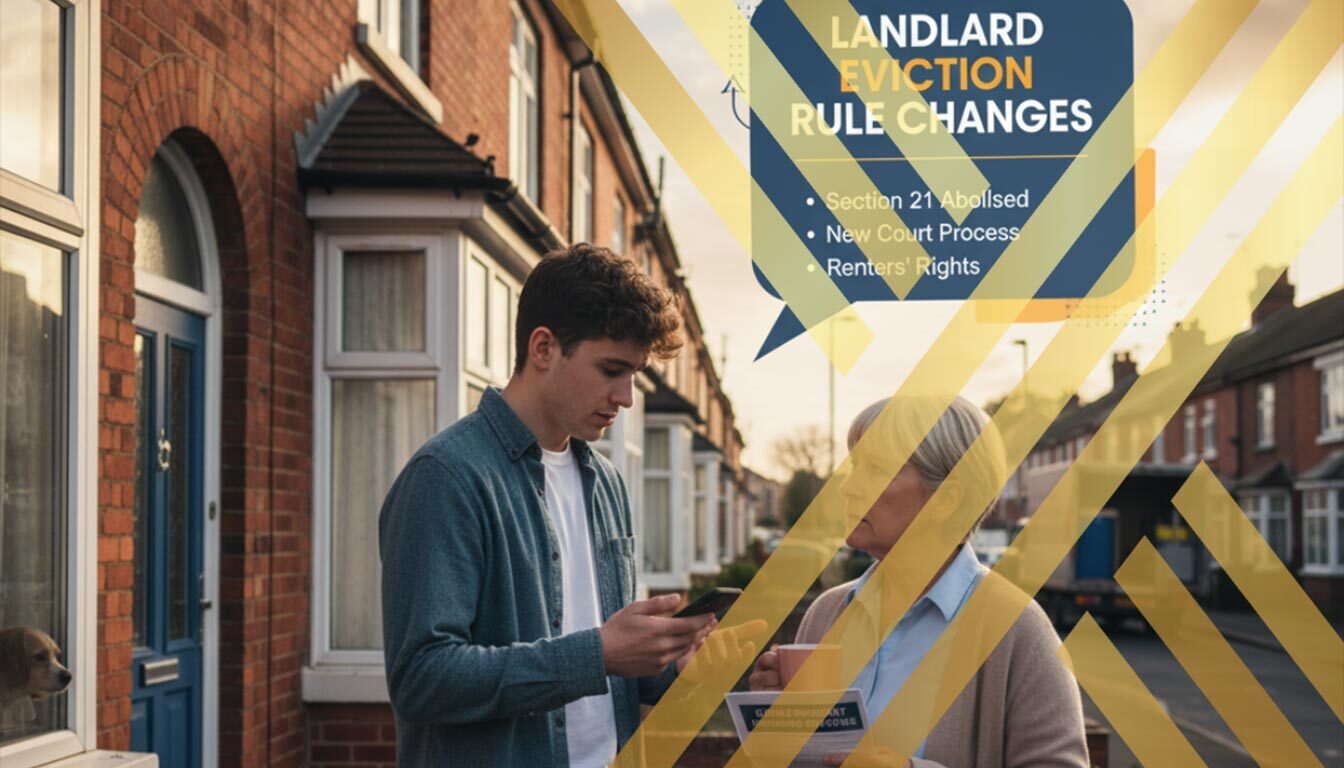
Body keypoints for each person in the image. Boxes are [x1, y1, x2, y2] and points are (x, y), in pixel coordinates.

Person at [380, 244, 720, 767]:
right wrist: (597, 654)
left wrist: (673, 667)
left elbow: (604, 655)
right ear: (543, 348)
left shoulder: (606, 482)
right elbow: (423, 679)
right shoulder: (447, 476)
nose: (627, 397)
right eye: (612, 369)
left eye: (633, 375)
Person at [749, 396, 1089, 768]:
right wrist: (778, 721)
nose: (848, 487)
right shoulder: (826, 613)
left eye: (876, 469)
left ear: (947, 498)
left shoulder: (1018, 630)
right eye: (854, 467)